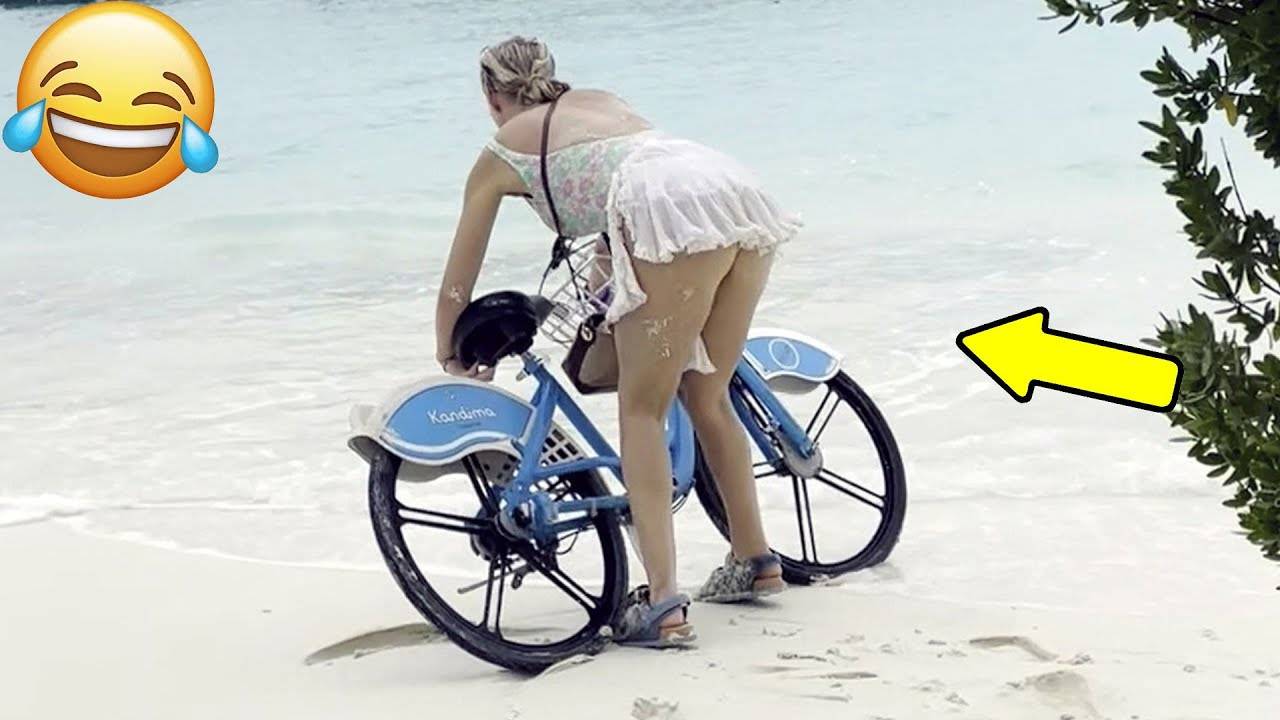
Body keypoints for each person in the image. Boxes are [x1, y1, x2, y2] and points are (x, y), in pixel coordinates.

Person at [433, 36, 802, 648]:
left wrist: (451, 350)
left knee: (641, 408)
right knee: (706, 393)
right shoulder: (600, 102)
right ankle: (755, 559)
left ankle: (663, 603)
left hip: (662, 204)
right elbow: (624, 207)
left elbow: (459, 279)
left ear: (491, 96)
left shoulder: (501, 152)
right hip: (730, 188)